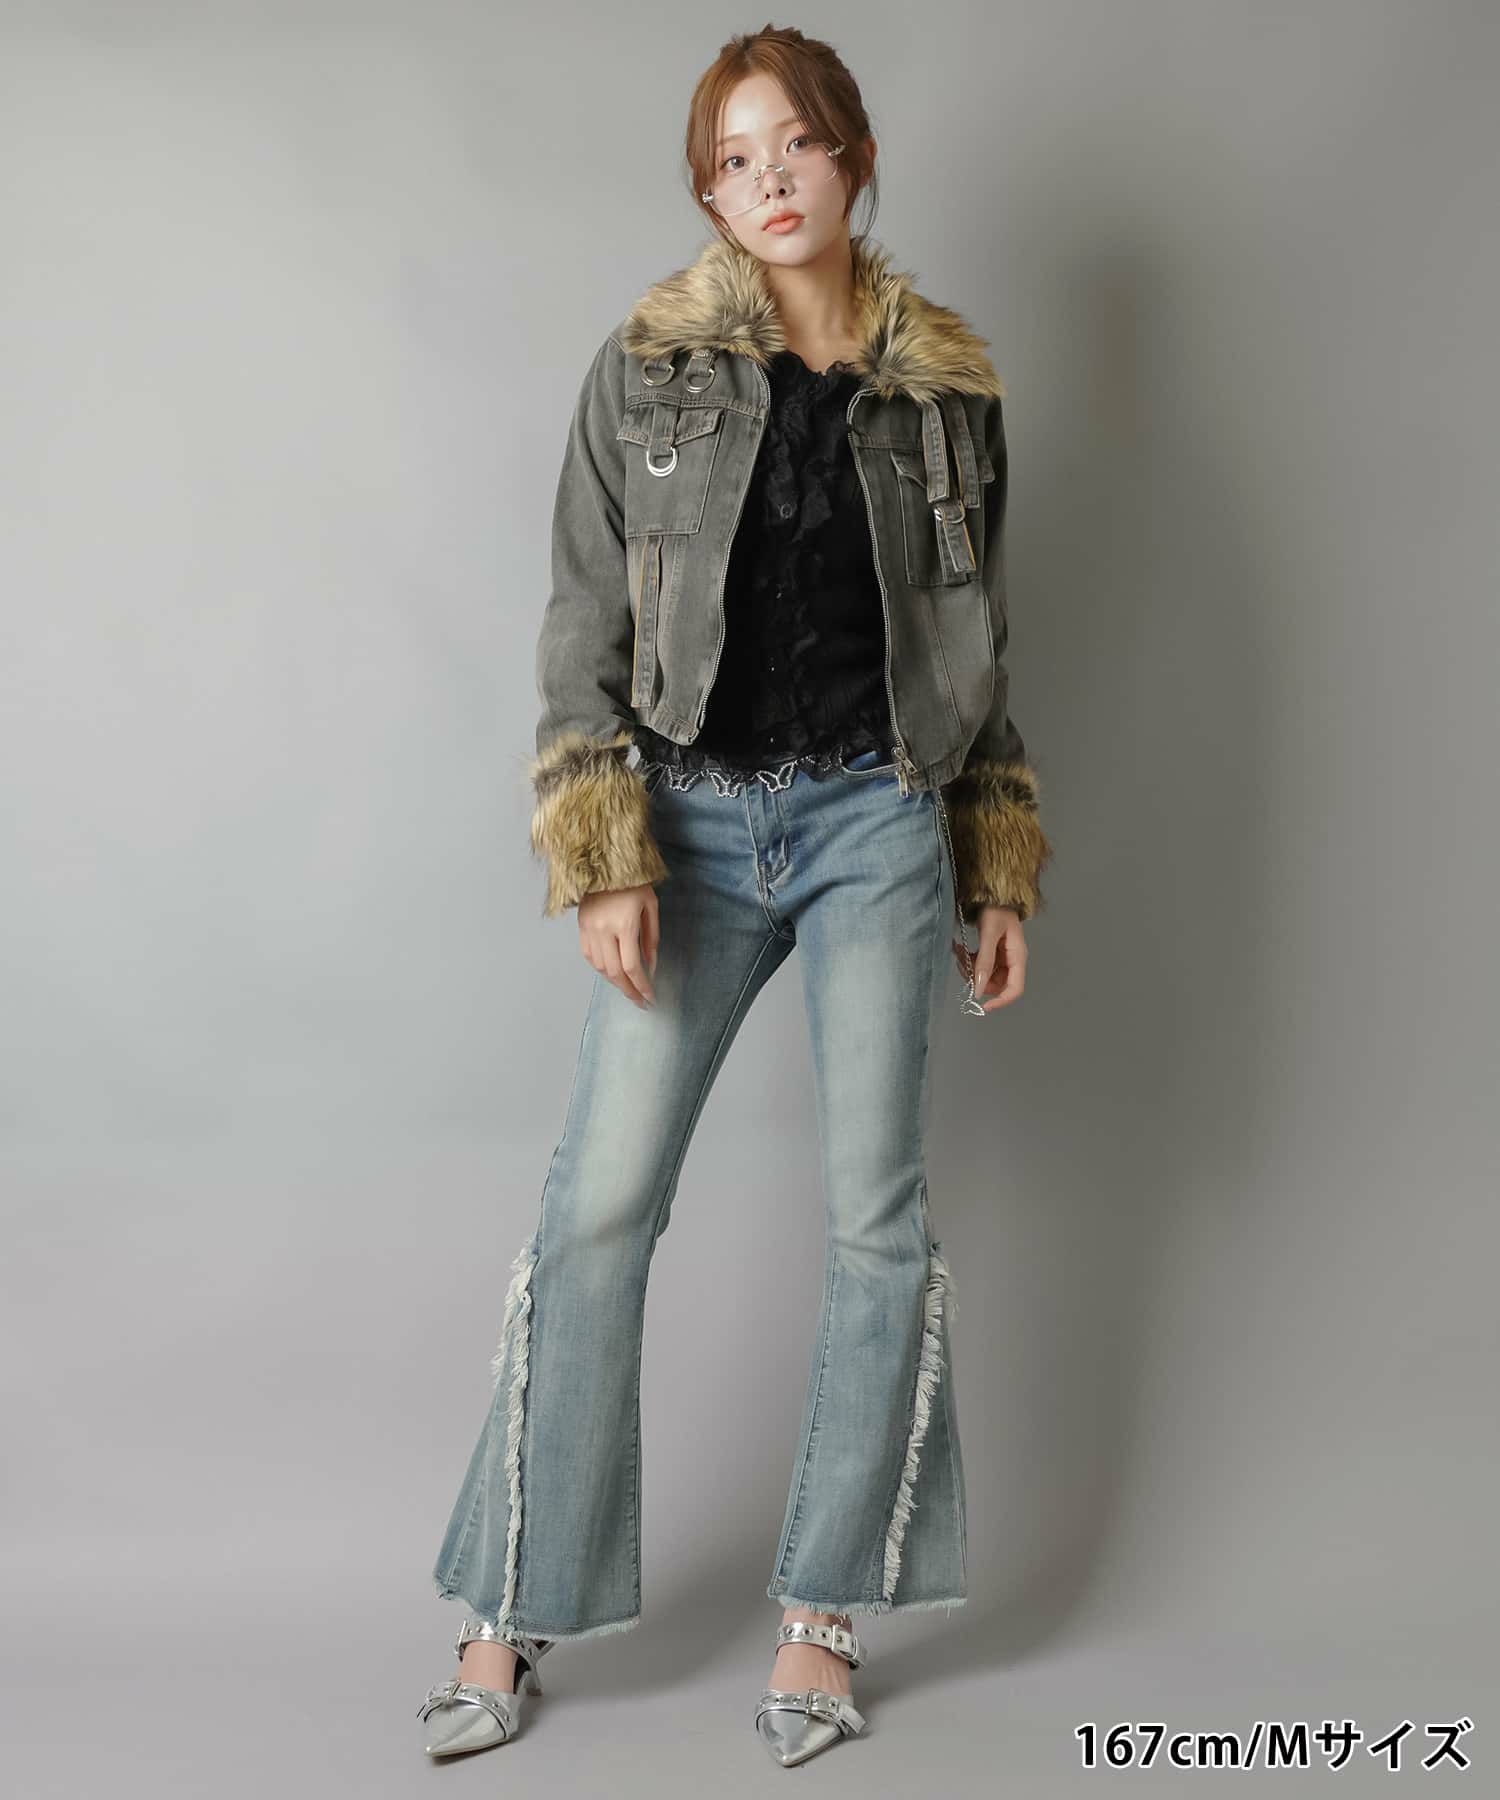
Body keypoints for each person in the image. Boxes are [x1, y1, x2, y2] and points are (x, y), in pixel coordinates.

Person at [417, 23, 1053, 1770]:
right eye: (733, 159)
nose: (769, 180)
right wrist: (605, 849)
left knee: (877, 1221)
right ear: (708, 192)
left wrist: (994, 861)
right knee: (599, 1206)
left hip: (876, 825)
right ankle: (508, 1606)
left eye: (797, 146)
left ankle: (823, 1619)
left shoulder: (950, 398)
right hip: (689, 826)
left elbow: (980, 652)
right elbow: (582, 618)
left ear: (855, 159)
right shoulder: (647, 374)